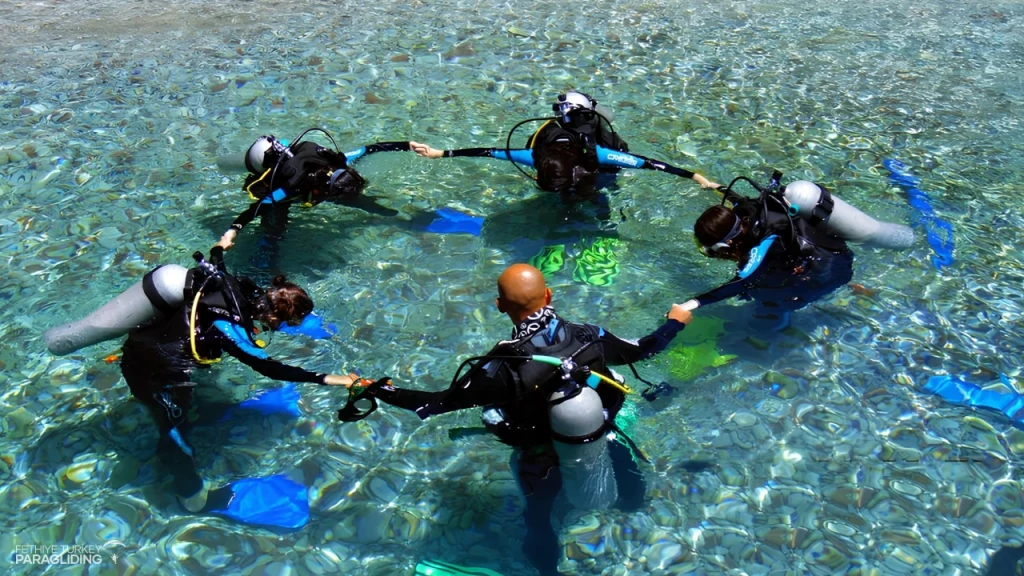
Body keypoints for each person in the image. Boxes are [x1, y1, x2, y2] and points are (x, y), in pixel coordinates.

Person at [338, 264, 693, 575]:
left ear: (499, 306)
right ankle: (636, 516)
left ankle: (548, 571)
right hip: (600, 434)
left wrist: (379, 389)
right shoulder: (589, 336)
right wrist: (674, 323)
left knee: (538, 521)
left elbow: (435, 404)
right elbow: (646, 349)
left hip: (540, 458)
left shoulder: (503, 368)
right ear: (549, 295)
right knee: (629, 486)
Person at [118, 246, 362, 519]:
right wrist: (336, 380)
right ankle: (192, 501)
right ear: (272, 316)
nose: (281, 330)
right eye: (284, 325)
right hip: (152, 371)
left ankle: (204, 416)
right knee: (174, 431)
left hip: (149, 348)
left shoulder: (245, 290)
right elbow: (270, 368)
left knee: (186, 408)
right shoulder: (231, 329)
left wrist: (224, 241)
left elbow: (216, 261)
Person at [408, 90, 719, 201]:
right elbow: (487, 153)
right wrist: (441, 153)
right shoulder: (532, 155)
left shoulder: (598, 153)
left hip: (595, 168)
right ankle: (570, 200)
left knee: (594, 188)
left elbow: (649, 163)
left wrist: (697, 177)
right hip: (568, 167)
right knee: (567, 198)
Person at [681, 174, 856, 328]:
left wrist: (691, 304)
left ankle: (778, 325)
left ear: (724, 246)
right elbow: (735, 198)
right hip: (833, 249)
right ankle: (854, 288)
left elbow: (739, 284)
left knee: (764, 297)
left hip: (831, 269)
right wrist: (711, 184)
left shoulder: (763, 250)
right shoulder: (748, 214)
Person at [215, 129, 416, 259]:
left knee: (364, 203)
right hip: (277, 179)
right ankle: (265, 263)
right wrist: (231, 233)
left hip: (290, 169)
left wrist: (408, 145)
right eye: (333, 194)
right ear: (322, 189)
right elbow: (256, 209)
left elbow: (369, 149)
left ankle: (394, 216)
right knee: (273, 233)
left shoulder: (335, 162)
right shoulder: (287, 190)